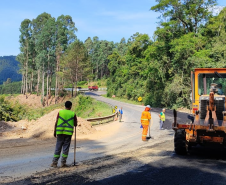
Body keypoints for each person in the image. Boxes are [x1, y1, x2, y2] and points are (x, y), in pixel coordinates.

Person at [51, 101, 77, 168]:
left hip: (59, 132)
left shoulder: (60, 112)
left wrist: (54, 131)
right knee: (65, 148)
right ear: (70, 106)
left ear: (65, 106)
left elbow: (56, 122)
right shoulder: (73, 114)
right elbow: (75, 124)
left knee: (58, 147)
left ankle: (54, 162)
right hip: (68, 133)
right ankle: (63, 163)